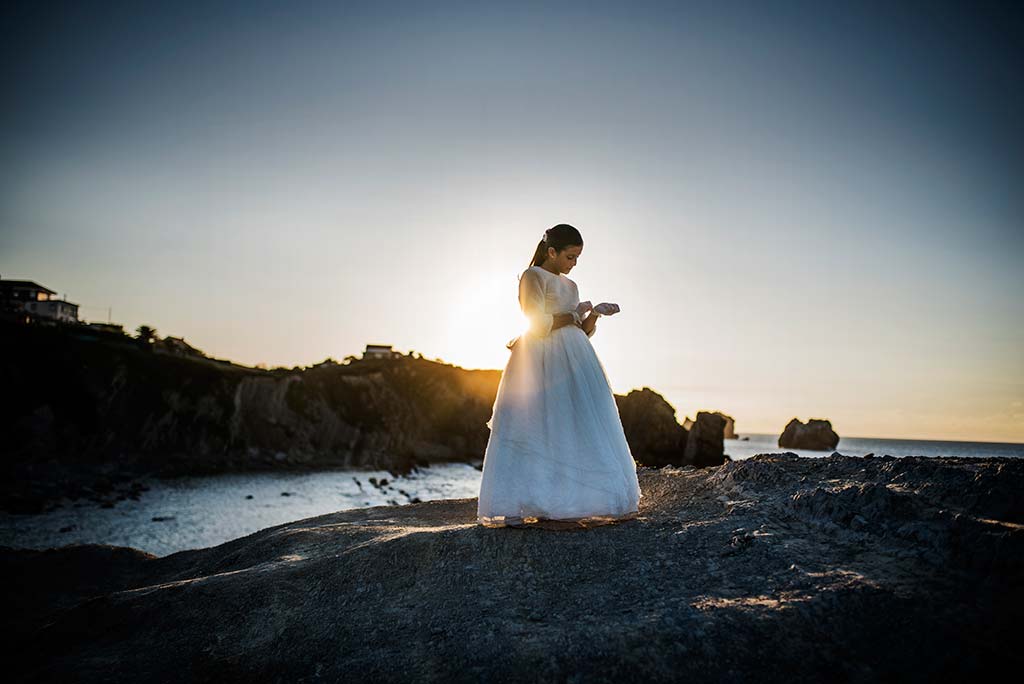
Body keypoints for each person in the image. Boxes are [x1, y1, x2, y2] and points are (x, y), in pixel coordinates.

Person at [476, 223, 642, 529]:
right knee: (543, 423)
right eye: (570, 256)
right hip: (541, 359)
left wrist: (593, 316)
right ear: (551, 251)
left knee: (575, 423)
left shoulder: (571, 285)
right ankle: (541, 499)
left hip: (575, 357)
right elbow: (537, 323)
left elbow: (579, 332)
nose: (574, 263)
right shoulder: (532, 276)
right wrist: (572, 314)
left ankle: (572, 500)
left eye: (577, 257)